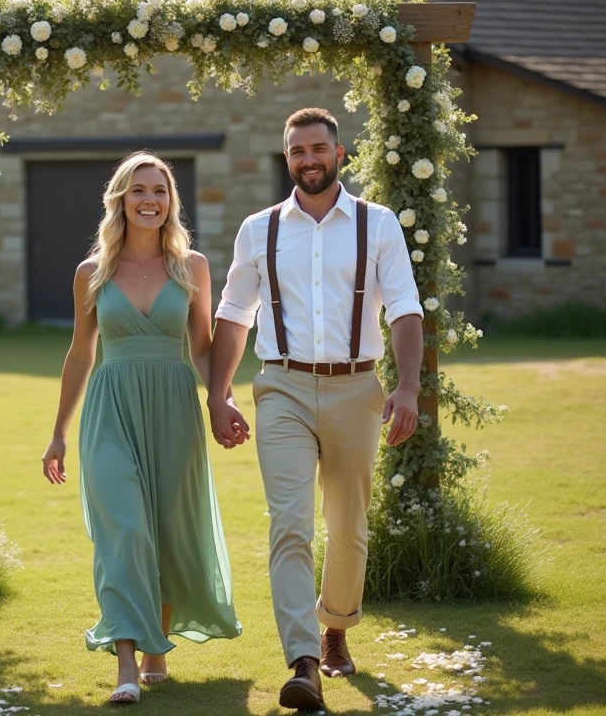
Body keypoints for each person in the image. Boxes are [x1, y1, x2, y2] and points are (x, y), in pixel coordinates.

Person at [207, 108, 425, 711]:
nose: (309, 159)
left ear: (340, 153)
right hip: (282, 388)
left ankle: (336, 626)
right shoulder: (259, 230)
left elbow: (406, 308)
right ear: (287, 160)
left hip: (358, 389)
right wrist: (218, 393)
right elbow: (232, 314)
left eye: (318, 148)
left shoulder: (378, 225)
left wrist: (406, 390)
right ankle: (303, 660)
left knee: (348, 526)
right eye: (297, 150)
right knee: (291, 524)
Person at [42, 151, 242, 704]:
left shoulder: (192, 267)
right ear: (121, 200)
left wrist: (221, 400)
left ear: (170, 201)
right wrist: (59, 431)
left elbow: (202, 349)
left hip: (174, 407)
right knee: (125, 530)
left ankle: (158, 646)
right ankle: (127, 664)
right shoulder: (92, 272)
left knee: (168, 529)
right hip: (111, 410)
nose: (150, 199)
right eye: (138, 190)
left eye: (160, 190)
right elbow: (81, 355)